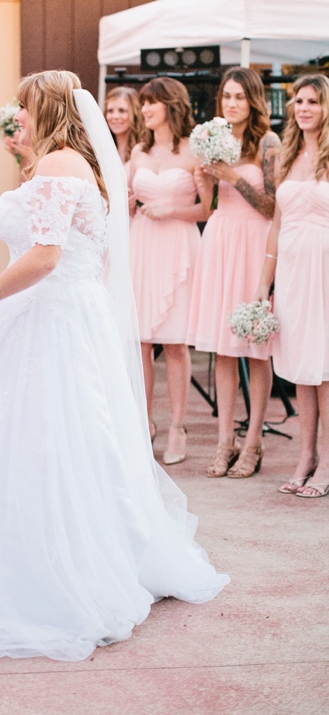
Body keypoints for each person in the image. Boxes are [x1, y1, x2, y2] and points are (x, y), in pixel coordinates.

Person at [0, 70, 228, 662]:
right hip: (56, 312)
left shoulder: (60, 165)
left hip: (50, 317)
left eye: (23, 105)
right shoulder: (67, 163)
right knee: (47, 438)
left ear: (45, 107)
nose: (16, 115)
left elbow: (45, 257)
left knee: (44, 438)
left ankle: (52, 570)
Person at [188, 68, 279, 479]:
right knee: (223, 348)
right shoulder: (213, 137)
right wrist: (204, 181)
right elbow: (209, 205)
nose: (231, 103)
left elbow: (272, 207)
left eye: (240, 96)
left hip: (254, 242)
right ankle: (226, 439)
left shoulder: (268, 142)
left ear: (253, 100)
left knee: (256, 347)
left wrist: (232, 177)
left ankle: (254, 439)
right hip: (220, 239)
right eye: (227, 96)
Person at [128, 78, 208, 462]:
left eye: (152, 103)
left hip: (178, 246)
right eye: (143, 103)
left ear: (171, 105)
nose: (144, 109)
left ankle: (177, 427)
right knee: (141, 342)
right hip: (142, 245)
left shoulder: (194, 150)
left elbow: (207, 209)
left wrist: (171, 209)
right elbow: (128, 200)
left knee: (175, 343)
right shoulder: (138, 151)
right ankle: (144, 423)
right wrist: (128, 205)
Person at [256, 75, 329, 499]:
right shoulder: (286, 155)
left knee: (325, 370)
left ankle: (326, 460)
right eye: (299, 101)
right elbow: (276, 226)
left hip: (324, 270)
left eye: (313, 102)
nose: (303, 108)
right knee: (303, 365)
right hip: (293, 273)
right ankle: (306, 455)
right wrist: (263, 285)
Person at [105, 85, 145, 165]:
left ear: (134, 113)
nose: (115, 116)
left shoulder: (143, 149)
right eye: (110, 111)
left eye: (122, 110)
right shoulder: (102, 149)